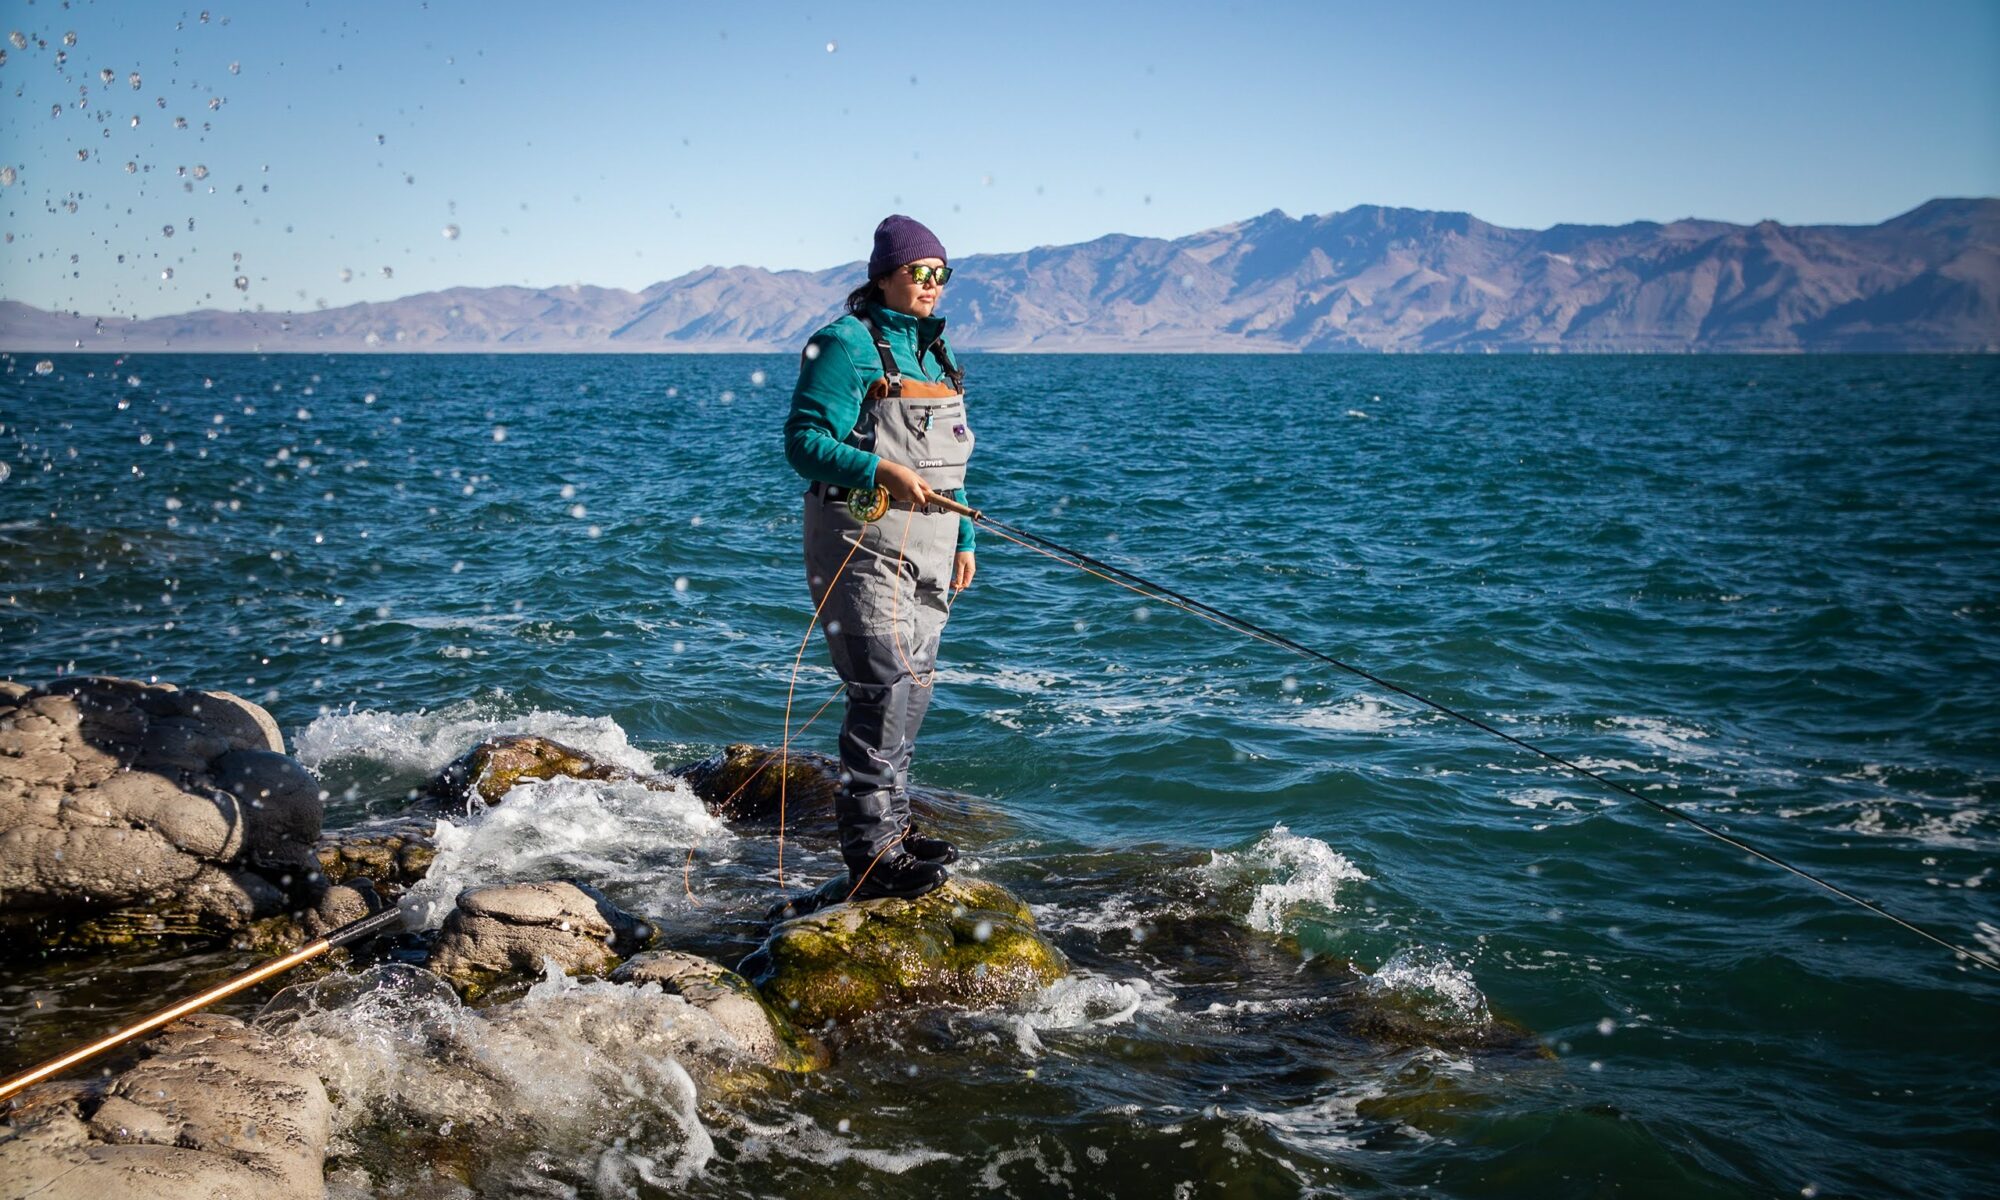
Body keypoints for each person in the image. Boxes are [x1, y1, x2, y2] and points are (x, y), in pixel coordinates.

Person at [783, 214, 976, 901]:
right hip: (859, 543)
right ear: (884, 275)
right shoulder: (842, 345)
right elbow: (803, 442)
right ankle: (869, 856)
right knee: (883, 688)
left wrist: (967, 539)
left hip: (933, 547)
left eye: (939, 273)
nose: (931, 284)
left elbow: (950, 464)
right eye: (919, 272)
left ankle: (895, 828)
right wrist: (878, 470)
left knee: (915, 688)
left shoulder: (937, 355)